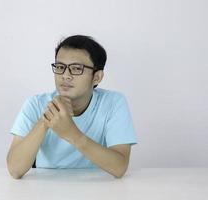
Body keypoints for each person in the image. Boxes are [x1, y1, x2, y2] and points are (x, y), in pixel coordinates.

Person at [7, 35, 137, 179]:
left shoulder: (113, 103)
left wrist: (71, 133)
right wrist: (46, 120)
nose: (65, 75)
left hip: (96, 187)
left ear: (97, 77)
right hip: (44, 186)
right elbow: (15, 170)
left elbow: (119, 167)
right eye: (60, 67)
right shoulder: (35, 104)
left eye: (76, 68)